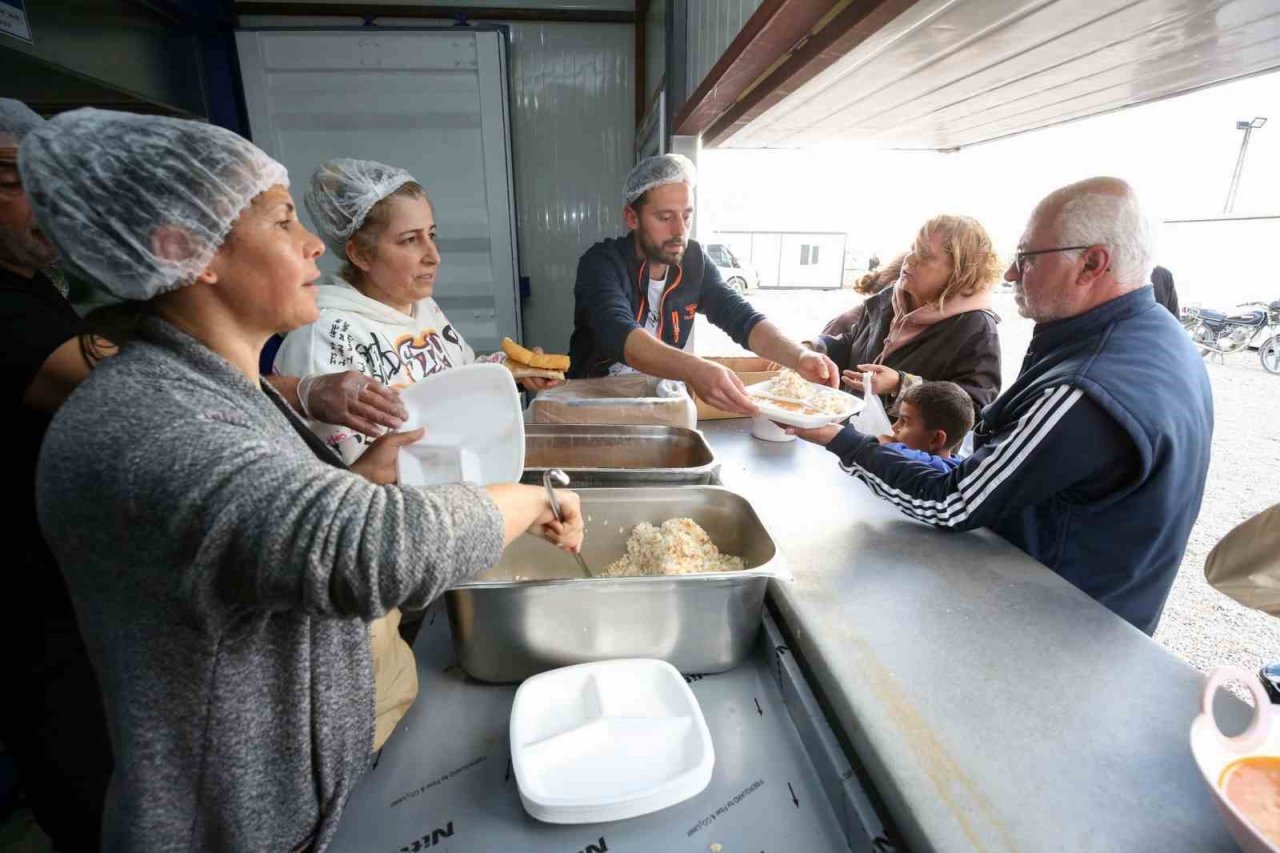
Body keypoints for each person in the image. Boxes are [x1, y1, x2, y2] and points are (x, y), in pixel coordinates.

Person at [23, 108, 584, 851]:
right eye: (284, 221)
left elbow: (280, 541)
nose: (314, 242)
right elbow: (363, 548)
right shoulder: (148, 420)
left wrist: (366, 475)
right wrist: (536, 496)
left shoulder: (226, 391)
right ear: (185, 249)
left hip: (302, 807)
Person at [790, 177, 1213, 636]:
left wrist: (845, 442)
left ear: (1092, 263)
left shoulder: (1086, 389)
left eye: (1028, 258)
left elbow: (953, 501)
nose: (1011, 274)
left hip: (1056, 628)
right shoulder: (1160, 340)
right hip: (1098, 613)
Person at [275, 158, 558, 465]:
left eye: (431, 235)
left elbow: (456, 375)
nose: (433, 256)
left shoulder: (421, 305)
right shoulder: (326, 335)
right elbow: (346, 473)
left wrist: (508, 372)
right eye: (410, 240)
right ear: (360, 254)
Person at [567, 153, 838, 415]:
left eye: (686, 215)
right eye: (665, 218)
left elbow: (741, 318)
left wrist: (799, 357)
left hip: (656, 405)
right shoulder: (601, 264)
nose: (680, 231)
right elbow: (619, 333)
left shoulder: (694, 262)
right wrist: (694, 368)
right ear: (632, 218)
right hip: (594, 406)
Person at [807, 215, 1003, 416]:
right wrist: (813, 349)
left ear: (959, 271)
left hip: (902, 448)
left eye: (925, 256)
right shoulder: (889, 298)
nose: (909, 259)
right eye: (912, 249)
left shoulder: (976, 328)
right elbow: (853, 346)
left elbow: (974, 409)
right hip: (851, 436)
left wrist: (901, 386)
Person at [876, 381, 974, 473]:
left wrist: (884, 444)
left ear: (936, 439)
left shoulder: (940, 472)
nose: (894, 427)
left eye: (904, 421)